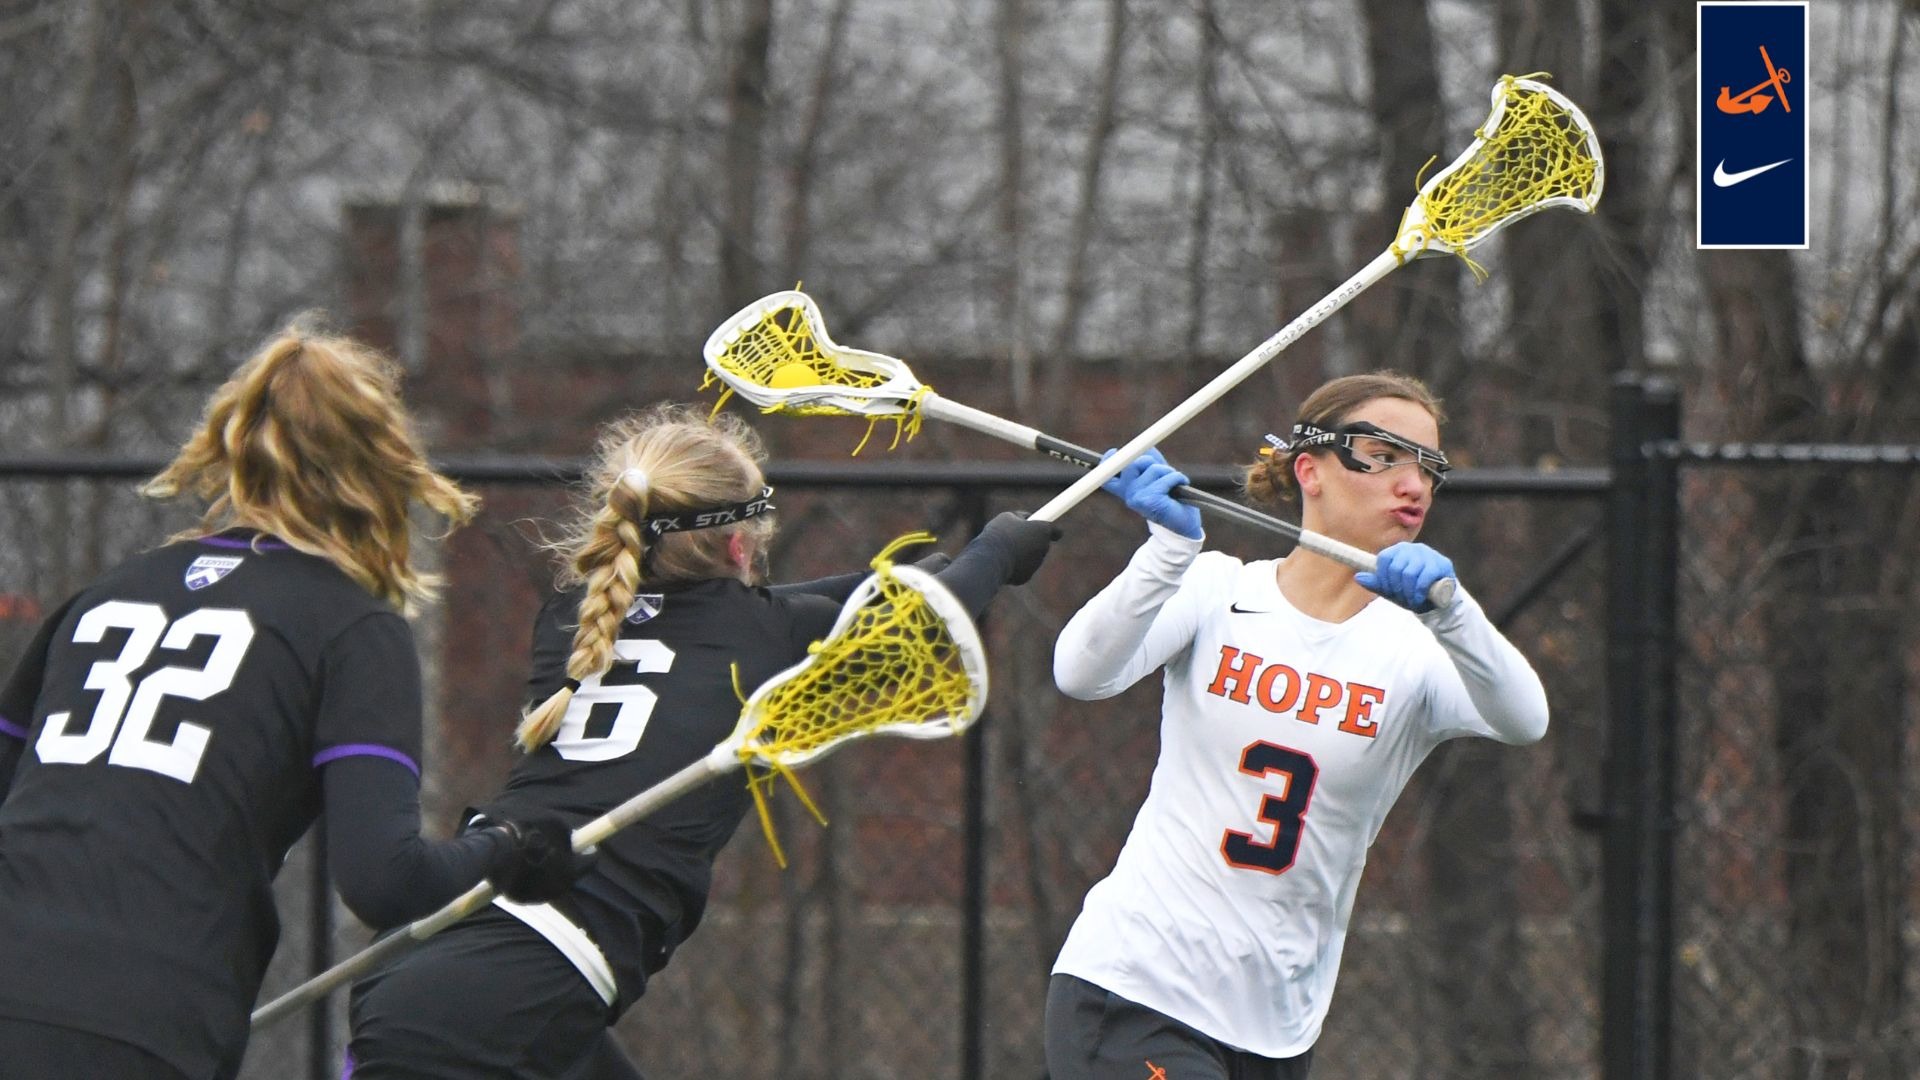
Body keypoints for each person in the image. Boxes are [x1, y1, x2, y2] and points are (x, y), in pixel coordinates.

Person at [345, 403, 1059, 1080]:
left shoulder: (571, 615)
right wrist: (995, 553)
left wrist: (924, 574)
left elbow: (806, 608)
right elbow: (918, 632)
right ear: (741, 544)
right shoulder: (765, 633)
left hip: (431, 948)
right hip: (518, 983)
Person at [0, 323, 590, 1080]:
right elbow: (386, 881)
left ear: (234, 443)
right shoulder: (351, 627)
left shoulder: (102, 597)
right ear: (382, 466)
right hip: (138, 1020)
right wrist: (508, 850)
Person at [1046, 372, 1550, 1080]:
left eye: (1430, 467)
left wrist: (1453, 609)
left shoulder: (1419, 652)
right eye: (1384, 455)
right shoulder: (1218, 589)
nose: (1414, 485)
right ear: (1310, 470)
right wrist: (1165, 551)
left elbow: (1526, 719)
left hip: (1277, 1027)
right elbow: (1081, 672)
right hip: (1138, 983)